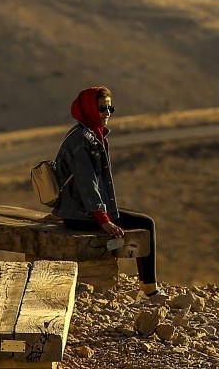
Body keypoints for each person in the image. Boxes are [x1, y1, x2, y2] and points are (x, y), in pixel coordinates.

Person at [53, 85, 162, 299]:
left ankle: (148, 289)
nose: (107, 115)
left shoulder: (91, 134)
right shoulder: (82, 141)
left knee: (143, 221)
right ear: (90, 110)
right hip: (82, 215)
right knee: (146, 224)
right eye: (102, 109)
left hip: (80, 211)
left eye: (110, 109)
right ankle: (149, 291)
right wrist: (104, 220)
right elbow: (87, 184)